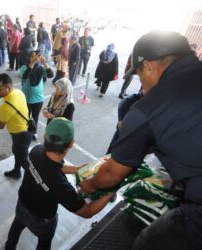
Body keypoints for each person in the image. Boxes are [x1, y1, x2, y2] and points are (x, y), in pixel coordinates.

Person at [80, 30, 202, 250]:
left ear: (147, 66)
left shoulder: (149, 107)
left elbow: (110, 175)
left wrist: (89, 184)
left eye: (138, 75)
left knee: (147, 242)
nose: (141, 85)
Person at [5, 118, 114, 250]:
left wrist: (76, 170)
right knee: (44, 243)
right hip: (42, 220)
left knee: (17, 225)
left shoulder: (36, 151)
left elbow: (50, 167)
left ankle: (9, 247)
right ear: (71, 143)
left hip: (22, 204)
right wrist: (111, 191)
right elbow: (88, 212)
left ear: (45, 136)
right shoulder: (62, 187)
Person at [0, 73, 32, 179]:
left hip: (20, 135)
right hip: (26, 130)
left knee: (25, 162)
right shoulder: (18, 92)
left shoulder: (6, 106)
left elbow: (0, 125)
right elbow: (13, 108)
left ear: (8, 87)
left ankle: (36, 180)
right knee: (18, 154)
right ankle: (17, 172)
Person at [20, 50, 54, 140]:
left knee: (35, 116)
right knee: (26, 116)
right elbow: (25, 75)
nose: (34, 58)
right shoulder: (24, 67)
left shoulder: (41, 68)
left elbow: (51, 75)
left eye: (36, 57)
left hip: (38, 99)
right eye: (32, 56)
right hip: (26, 98)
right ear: (29, 58)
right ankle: (25, 130)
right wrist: (32, 62)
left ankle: (34, 131)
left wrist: (45, 62)